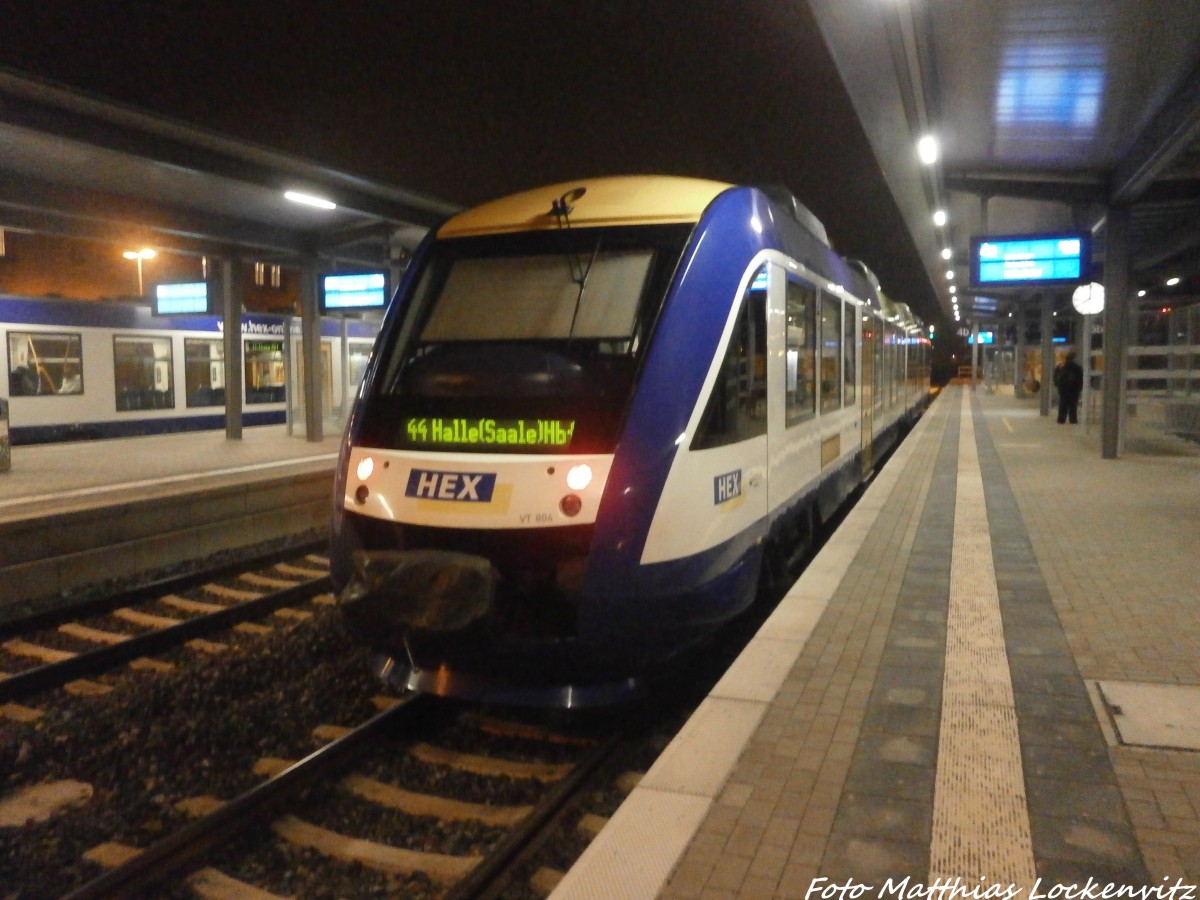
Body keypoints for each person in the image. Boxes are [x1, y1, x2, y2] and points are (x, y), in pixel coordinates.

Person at [1053, 351, 1083, 424]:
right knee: (1073, 406)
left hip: (1063, 389)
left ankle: (1061, 420)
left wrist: (1058, 385)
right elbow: (1080, 378)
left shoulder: (1061, 366)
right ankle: (1073, 420)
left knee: (1063, 404)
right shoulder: (1077, 367)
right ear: (1074, 358)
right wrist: (1079, 388)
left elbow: (1055, 377)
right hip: (1074, 390)